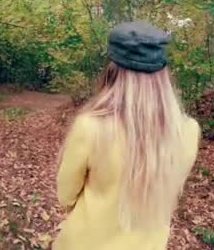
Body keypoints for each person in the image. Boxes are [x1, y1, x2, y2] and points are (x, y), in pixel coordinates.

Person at [53, 21, 200, 250]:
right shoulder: (188, 131)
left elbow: (66, 197)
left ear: (112, 72)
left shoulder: (91, 127)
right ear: (163, 75)